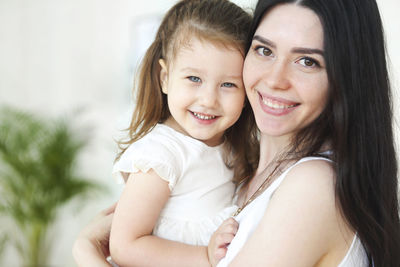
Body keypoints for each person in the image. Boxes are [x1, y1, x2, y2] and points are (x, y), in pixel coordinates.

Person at [73, 0, 400, 266]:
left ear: (347, 78)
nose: (275, 80)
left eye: (307, 61)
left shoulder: (314, 185)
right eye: (265, 51)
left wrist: (87, 253)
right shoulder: (237, 173)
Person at [107, 0, 256, 266]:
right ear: (165, 78)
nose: (209, 100)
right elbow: (125, 246)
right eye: (194, 79)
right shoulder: (160, 155)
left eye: (228, 84)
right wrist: (204, 256)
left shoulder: (231, 146)